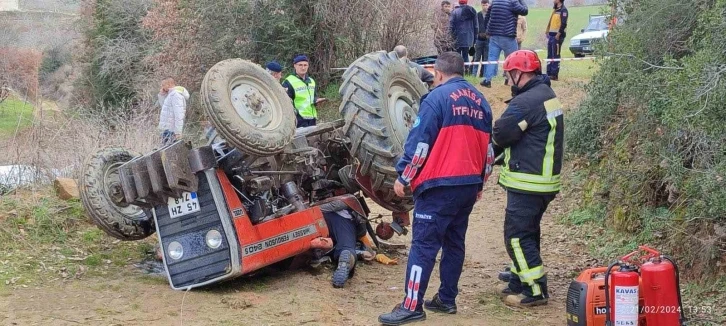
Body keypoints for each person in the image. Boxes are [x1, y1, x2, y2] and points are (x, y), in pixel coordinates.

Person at [377, 52, 494, 326]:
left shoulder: (436, 99)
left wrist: (404, 177)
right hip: (468, 185)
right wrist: (480, 184)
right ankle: (446, 298)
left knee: (423, 246)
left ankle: (411, 305)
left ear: (438, 74)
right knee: (454, 242)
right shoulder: (482, 102)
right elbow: (488, 152)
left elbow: (420, 144)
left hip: (438, 185)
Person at [492, 50, 563, 308]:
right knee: (528, 232)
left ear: (519, 73)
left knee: (517, 236)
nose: (508, 81)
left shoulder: (525, 103)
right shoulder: (546, 95)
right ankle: (518, 279)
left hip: (529, 181)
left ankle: (534, 290)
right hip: (543, 180)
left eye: (509, 76)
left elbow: (501, 133)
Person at [480, 0, 529, 88]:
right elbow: (525, 11)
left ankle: (487, 80)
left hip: (494, 35)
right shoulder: (513, 2)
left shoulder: (495, 1)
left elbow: (487, 16)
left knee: (492, 58)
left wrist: (487, 30)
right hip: (508, 35)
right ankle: (511, 80)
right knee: (512, 58)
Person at [281, 54, 326, 128]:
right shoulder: (288, 82)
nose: (303, 67)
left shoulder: (311, 81)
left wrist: (316, 101)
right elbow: (286, 103)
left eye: (305, 65)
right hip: (298, 120)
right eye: (300, 65)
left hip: (312, 119)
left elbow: (313, 97)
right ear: (295, 66)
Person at [157, 78, 189, 145]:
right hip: (167, 129)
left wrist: (178, 132)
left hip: (172, 130)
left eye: (163, 85)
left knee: (169, 153)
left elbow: (179, 115)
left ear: (169, 84)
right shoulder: (170, 95)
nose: (162, 87)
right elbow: (164, 108)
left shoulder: (176, 95)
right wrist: (161, 95)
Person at [449, 0, 477, 74]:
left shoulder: (454, 12)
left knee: (457, 55)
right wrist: (474, 39)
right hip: (468, 37)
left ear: (459, 2)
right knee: (465, 55)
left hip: (457, 37)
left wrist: (451, 37)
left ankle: (458, 71)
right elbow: (476, 26)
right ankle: (467, 70)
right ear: (466, 2)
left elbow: (451, 26)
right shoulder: (472, 11)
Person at [545, 0, 568, 81]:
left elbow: (564, 24)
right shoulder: (555, 10)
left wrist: (558, 35)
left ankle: (554, 74)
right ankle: (549, 73)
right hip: (551, 36)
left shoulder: (563, 10)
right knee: (550, 55)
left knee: (555, 55)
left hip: (557, 37)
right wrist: (547, 32)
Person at [472, 0, 490, 78]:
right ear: (481, 5)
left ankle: (484, 75)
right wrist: (478, 34)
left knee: (486, 59)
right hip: (479, 39)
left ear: (488, 5)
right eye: (483, 5)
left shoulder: (491, 15)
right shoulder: (478, 14)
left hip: (488, 40)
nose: (485, 6)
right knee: (477, 58)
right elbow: (475, 25)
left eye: (486, 5)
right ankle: (473, 75)